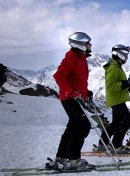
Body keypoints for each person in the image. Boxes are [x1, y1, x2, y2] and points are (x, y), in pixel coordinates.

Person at [51, 32, 94, 170]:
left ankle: (62, 157)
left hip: (73, 97)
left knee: (73, 126)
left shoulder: (80, 58)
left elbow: (77, 79)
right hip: (69, 98)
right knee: (83, 125)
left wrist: (85, 92)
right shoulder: (72, 57)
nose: (90, 45)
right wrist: (70, 91)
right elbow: (58, 75)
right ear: (80, 44)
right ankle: (73, 159)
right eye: (88, 43)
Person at [94, 44, 130, 154]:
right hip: (117, 100)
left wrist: (128, 85)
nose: (127, 57)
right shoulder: (113, 68)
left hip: (117, 99)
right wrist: (125, 83)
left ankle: (103, 144)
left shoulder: (116, 66)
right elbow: (110, 86)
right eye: (126, 54)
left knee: (116, 123)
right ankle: (117, 146)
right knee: (127, 121)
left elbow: (118, 84)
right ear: (119, 54)